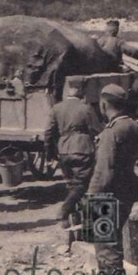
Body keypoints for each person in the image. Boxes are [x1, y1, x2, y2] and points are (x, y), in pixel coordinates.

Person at [87, 84, 138, 275]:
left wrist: (92, 194)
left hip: (108, 193)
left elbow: (104, 169)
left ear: (104, 104)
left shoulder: (111, 131)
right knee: (107, 241)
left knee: (106, 245)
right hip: (126, 191)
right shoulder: (132, 125)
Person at [44, 77, 102, 253]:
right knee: (82, 184)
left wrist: (51, 153)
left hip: (64, 150)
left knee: (70, 184)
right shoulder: (86, 109)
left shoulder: (56, 108)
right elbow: (97, 129)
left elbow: (48, 133)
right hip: (83, 149)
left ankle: (71, 221)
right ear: (81, 91)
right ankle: (64, 210)